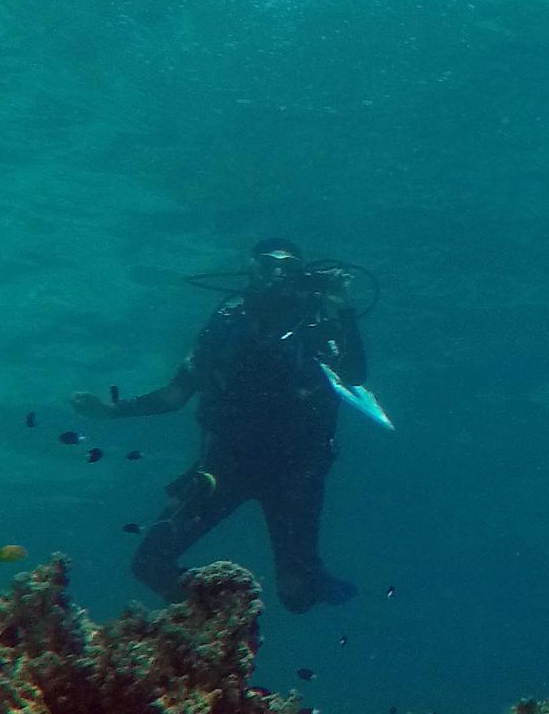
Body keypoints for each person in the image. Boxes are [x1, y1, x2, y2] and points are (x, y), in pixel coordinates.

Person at [73, 238, 365, 613]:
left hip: (296, 472)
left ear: (301, 276)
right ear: (250, 271)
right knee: (148, 564)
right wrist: (111, 410)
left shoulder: (319, 324)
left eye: (288, 267)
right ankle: (213, 622)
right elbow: (176, 394)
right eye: (266, 265)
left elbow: (354, 376)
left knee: (297, 594)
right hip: (224, 465)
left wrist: (345, 312)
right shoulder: (225, 323)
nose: (277, 274)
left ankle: (298, 583)